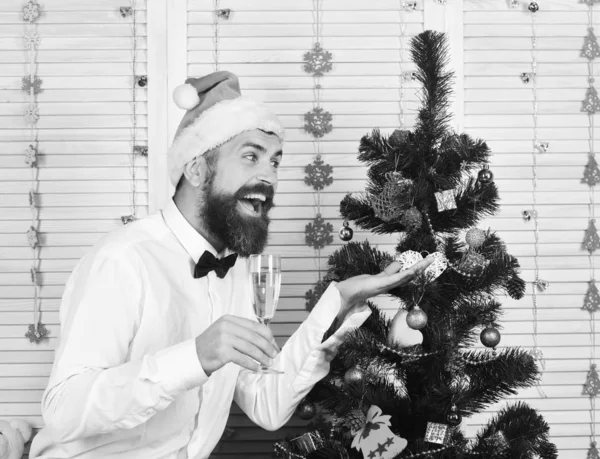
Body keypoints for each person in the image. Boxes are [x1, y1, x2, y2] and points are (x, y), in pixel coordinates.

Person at [30, 71, 432, 459]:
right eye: (250, 156)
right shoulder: (123, 259)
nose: (269, 176)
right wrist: (195, 357)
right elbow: (63, 412)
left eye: (274, 161)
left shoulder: (240, 270)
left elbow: (268, 405)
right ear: (196, 168)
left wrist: (339, 303)